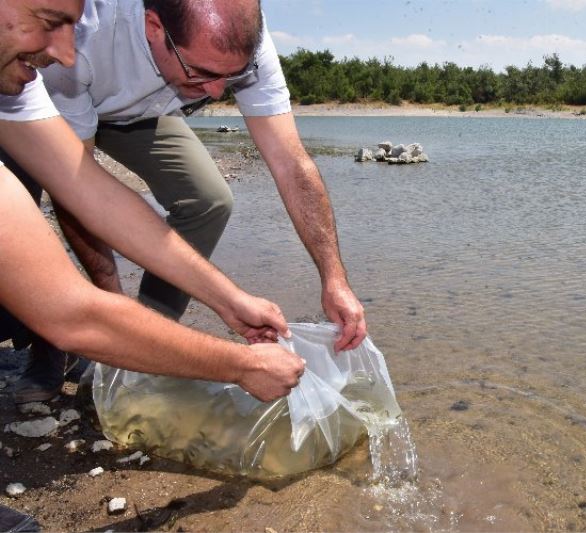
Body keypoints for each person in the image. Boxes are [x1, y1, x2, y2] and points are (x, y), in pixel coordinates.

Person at [7, 0, 367, 403]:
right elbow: (67, 310)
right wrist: (238, 364)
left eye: (231, 77)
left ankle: (148, 337)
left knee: (209, 198)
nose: (216, 94)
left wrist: (229, 300)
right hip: (70, 105)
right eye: (49, 22)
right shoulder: (81, 42)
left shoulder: (239, 42)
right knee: (22, 269)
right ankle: (55, 346)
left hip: (139, 114)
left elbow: (95, 197)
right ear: (154, 27)